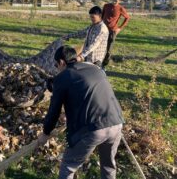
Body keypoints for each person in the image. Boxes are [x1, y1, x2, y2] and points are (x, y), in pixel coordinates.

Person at [38, 46, 124, 179]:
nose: (57, 68)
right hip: (116, 122)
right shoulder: (95, 68)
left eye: (56, 65)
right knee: (108, 165)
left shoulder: (63, 77)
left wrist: (45, 133)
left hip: (94, 128)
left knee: (68, 165)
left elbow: (53, 110)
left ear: (61, 62)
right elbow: (89, 94)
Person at [102, 0, 130, 68]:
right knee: (100, 45)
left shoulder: (120, 8)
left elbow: (127, 18)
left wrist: (120, 28)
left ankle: (105, 64)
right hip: (103, 29)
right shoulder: (106, 6)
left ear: (119, 1)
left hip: (113, 30)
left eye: (116, 0)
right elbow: (102, 15)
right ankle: (98, 61)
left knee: (108, 49)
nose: (114, 1)